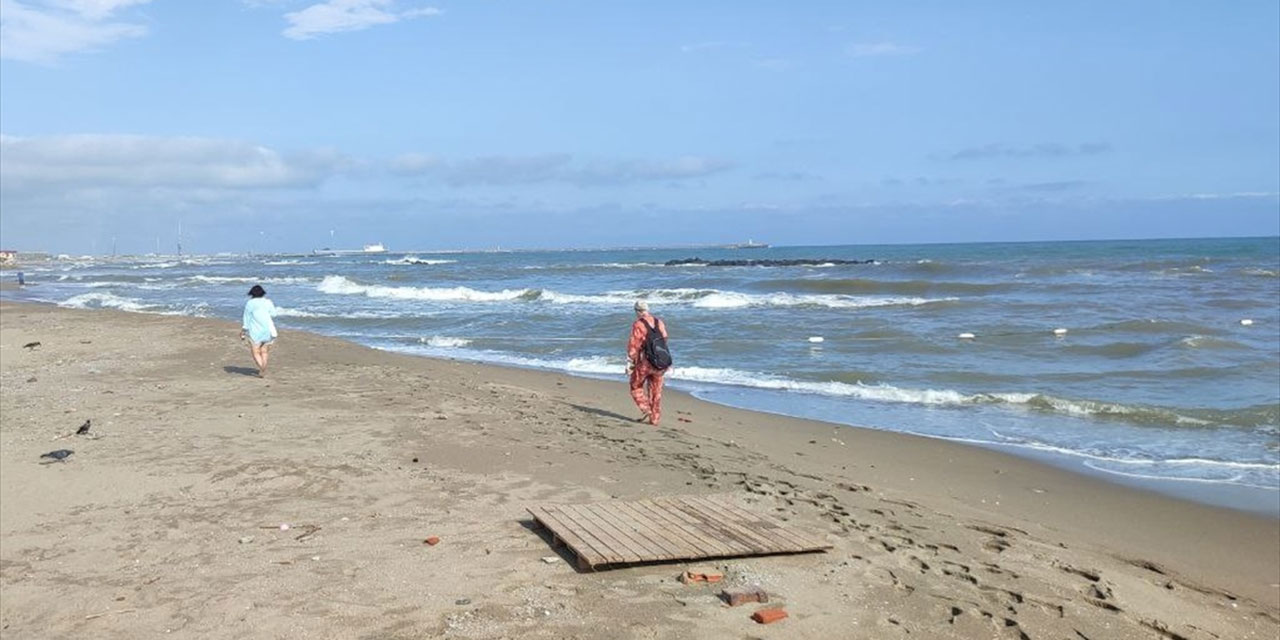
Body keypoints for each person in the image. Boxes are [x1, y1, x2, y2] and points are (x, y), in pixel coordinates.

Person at [626, 300, 668, 426]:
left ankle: (646, 409)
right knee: (656, 392)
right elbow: (665, 339)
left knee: (635, 386)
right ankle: (655, 418)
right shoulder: (659, 322)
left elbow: (633, 346)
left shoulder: (638, 324)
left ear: (637, 311)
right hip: (660, 362)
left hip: (644, 363)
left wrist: (631, 363)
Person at [240, 285, 278, 378]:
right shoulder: (268, 302)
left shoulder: (250, 303)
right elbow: (274, 314)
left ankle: (262, 368)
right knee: (264, 351)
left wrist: (243, 330)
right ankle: (263, 367)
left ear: (251, 293)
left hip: (255, 331)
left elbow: (247, 318)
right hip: (268, 330)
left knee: (255, 352)